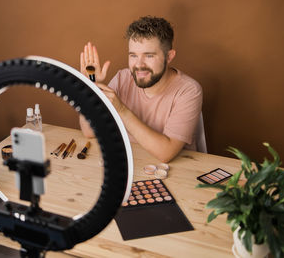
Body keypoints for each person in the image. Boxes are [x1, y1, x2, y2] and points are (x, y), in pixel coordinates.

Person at [79, 16, 202, 162]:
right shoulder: (122, 78)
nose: (139, 65)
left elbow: (165, 153)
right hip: (131, 162)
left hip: (174, 171)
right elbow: (90, 131)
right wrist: (90, 88)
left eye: (149, 55)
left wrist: (122, 110)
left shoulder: (188, 90)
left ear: (169, 56)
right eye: (133, 55)